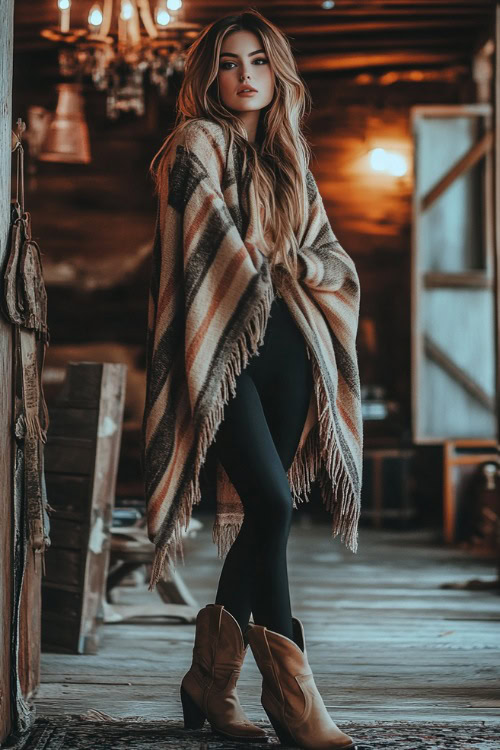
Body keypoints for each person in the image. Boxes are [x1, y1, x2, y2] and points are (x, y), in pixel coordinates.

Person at [143, 9, 362, 750]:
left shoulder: (291, 154)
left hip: (291, 349)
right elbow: (208, 246)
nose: (245, 76)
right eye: (231, 63)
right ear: (210, 76)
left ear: (278, 73)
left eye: (259, 61)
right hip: (226, 347)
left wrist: (299, 263)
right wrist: (267, 256)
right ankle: (294, 700)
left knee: (273, 513)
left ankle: (210, 681)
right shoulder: (194, 143)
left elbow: (329, 255)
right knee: (267, 501)